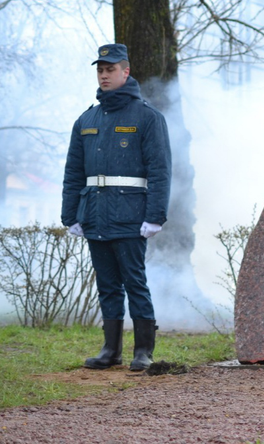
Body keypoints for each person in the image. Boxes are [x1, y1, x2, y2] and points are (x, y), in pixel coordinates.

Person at [61, 43, 172, 371]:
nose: (104, 75)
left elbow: (160, 170)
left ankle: (143, 351)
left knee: (134, 281)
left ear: (126, 71)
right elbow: (73, 172)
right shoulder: (86, 120)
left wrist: (155, 216)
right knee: (106, 284)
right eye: (100, 70)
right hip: (94, 214)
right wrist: (70, 215)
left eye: (110, 69)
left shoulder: (148, 117)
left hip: (130, 215)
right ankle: (111, 350)